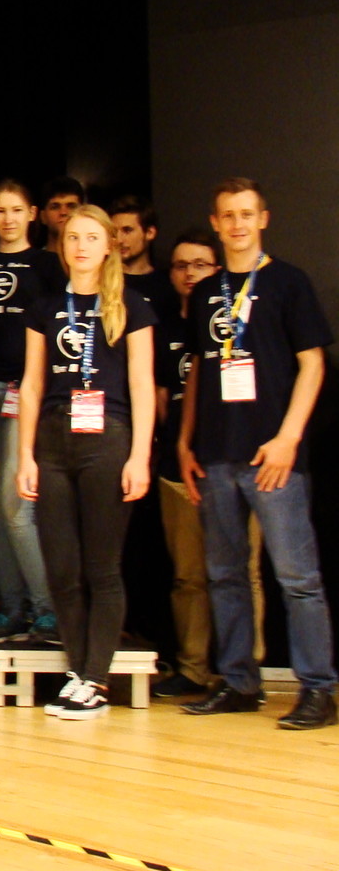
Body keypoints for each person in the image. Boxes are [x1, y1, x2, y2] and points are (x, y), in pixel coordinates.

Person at [177, 178, 337, 730]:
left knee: (297, 578)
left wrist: (289, 438)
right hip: (216, 454)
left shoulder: (289, 282)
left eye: (247, 214)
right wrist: (185, 442)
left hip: (274, 454)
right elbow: (200, 369)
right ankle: (239, 681)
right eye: (228, 216)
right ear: (216, 224)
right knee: (225, 574)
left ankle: (318, 689)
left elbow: (313, 364)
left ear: (263, 219)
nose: (238, 224)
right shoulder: (205, 292)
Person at [18, 205, 155, 720]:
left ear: (109, 246)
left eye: (91, 237)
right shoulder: (45, 306)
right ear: (61, 244)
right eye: (72, 237)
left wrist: (140, 455)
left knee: (102, 567)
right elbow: (31, 386)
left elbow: (142, 385)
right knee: (62, 568)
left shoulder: (131, 305)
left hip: (108, 437)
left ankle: (96, 679)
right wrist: (24, 455)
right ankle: (78, 673)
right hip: (53, 438)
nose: (80, 246)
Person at [152, 227, 260, 698]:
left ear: (217, 270)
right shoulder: (161, 327)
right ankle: (193, 668)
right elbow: (159, 397)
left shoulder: (242, 317)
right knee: (188, 576)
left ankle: (247, 673)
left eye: (200, 264)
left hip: (236, 460)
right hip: (179, 467)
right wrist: (176, 443)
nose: (190, 273)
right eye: (181, 265)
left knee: (244, 570)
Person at [0, 181, 61, 644]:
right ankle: (11, 607)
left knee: (16, 504)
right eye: (0, 211)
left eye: (16, 210)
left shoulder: (48, 265)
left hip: (22, 391)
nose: (8, 219)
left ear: (32, 214)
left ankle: (48, 609)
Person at [111, 195, 169, 308]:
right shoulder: (102, 280)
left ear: (150, 233)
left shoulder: (167, 283)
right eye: (114, 232)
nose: (119, 240)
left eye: (127, 230)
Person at [39, 176, 84, 253]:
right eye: (55, 207)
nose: (63, 212)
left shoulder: (94, 259)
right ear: (43, 217)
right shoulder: (33, 260)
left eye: (71, 206)